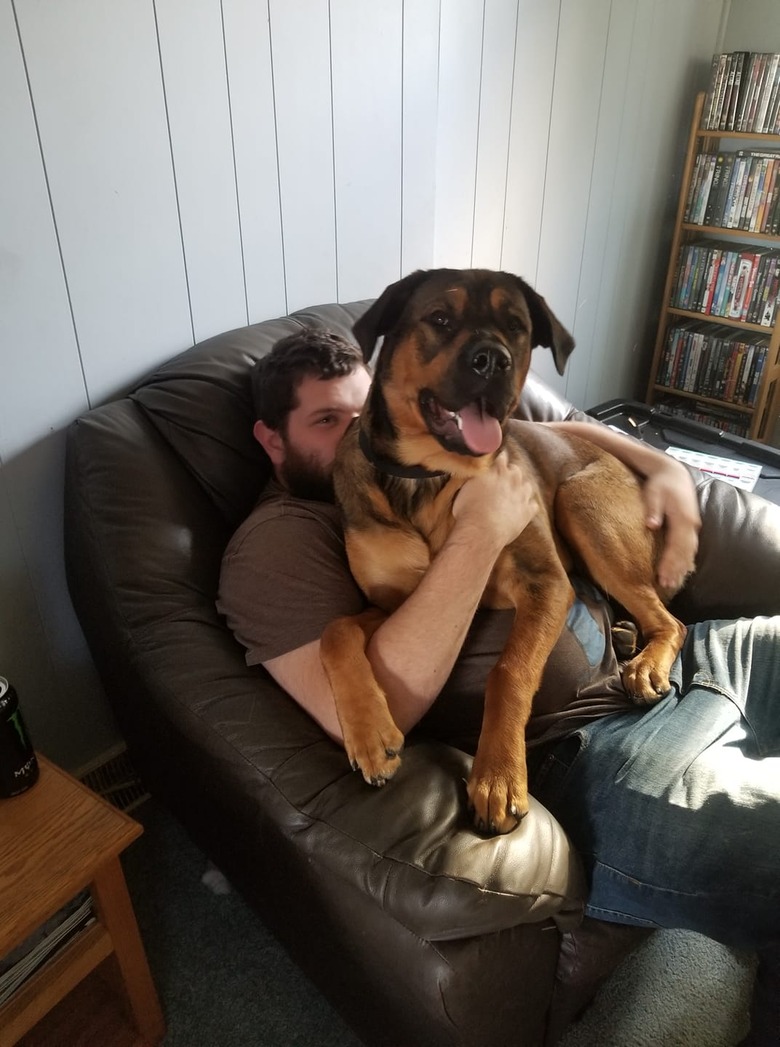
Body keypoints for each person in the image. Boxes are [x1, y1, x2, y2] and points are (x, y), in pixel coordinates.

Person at [218, 328, 780, 1046]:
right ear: (272, 439)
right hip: (592, 751)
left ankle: (661, 630)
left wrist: (659, 466)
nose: (362, 440)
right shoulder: (278, 543)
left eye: (368, 417)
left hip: (682, 656)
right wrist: (479, 532)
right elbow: (372, 712)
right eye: (329, 423)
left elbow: (551, 430)